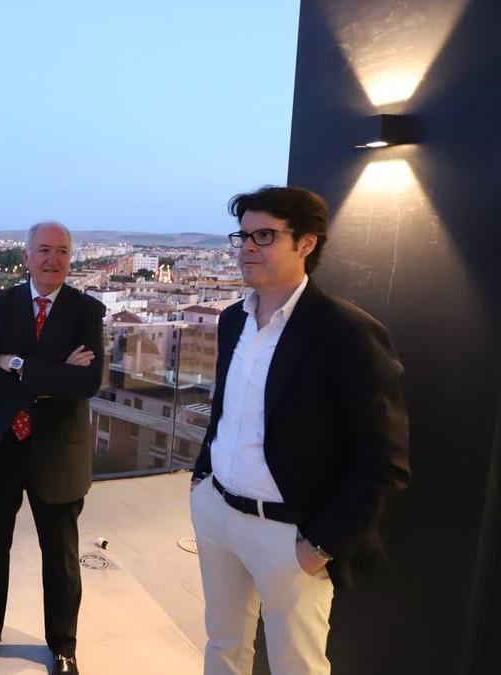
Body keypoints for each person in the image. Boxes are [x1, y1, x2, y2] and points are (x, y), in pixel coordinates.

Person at [190, 186, 410, 675]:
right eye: (242, 236)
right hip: (217, 511)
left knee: (298, 665)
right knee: (223, 643)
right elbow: (227, 409)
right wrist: (200, 480)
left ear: (306, 243)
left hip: (289, 531)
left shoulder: (347, 333)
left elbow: (384, 463)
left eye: (264, 236)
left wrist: (321, 545)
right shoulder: (233, 320)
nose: (247, 248)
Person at [0, 221, 105, 675]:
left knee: (61, 558)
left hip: (57, 453)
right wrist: (52, 375)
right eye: (43, 250)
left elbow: (88, 381)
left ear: (71, 258)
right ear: (26, 256)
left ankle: (63, 646)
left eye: (62, 251)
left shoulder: (86, 310)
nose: (53, 259)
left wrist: (16, 365)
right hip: (1, 447)